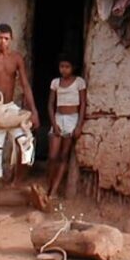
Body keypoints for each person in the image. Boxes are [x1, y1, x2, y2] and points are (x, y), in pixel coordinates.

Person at [0, 23, 40, 213]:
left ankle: (17, 181)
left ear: (11, 39)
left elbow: (26, 85)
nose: (3, 42)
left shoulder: (16, 59)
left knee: (26, 143)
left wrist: (34, 111)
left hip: (11, 107)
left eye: (6, 38)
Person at [46, 55, 86, 198]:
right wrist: (54, 123)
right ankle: (49, 185)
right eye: (61, 66)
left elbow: (82, 105)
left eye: (67, 67)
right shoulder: (55, 82)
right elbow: (50, 104)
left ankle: (54, 190)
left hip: (72, 120)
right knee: (52, 156)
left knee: (63, 156)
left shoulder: (79, 82)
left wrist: (79, 125)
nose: (63, 70)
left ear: (73, 67)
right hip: (58, 118)